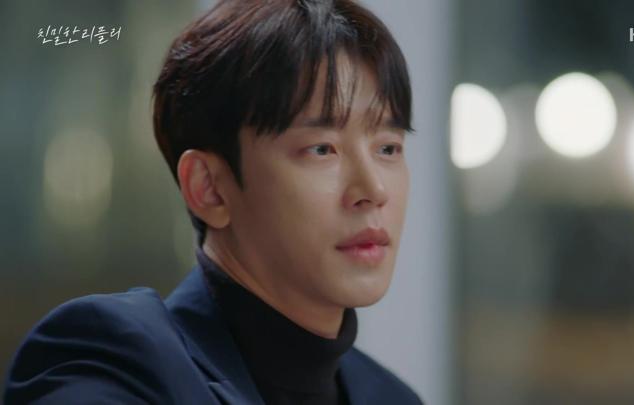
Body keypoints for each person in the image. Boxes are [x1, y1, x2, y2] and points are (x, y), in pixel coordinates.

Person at [3, 0, 422, 403]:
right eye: (321, 149)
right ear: (208, 188)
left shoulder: (391, 396)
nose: (374, 190)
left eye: (388, 148)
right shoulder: (110, 364)